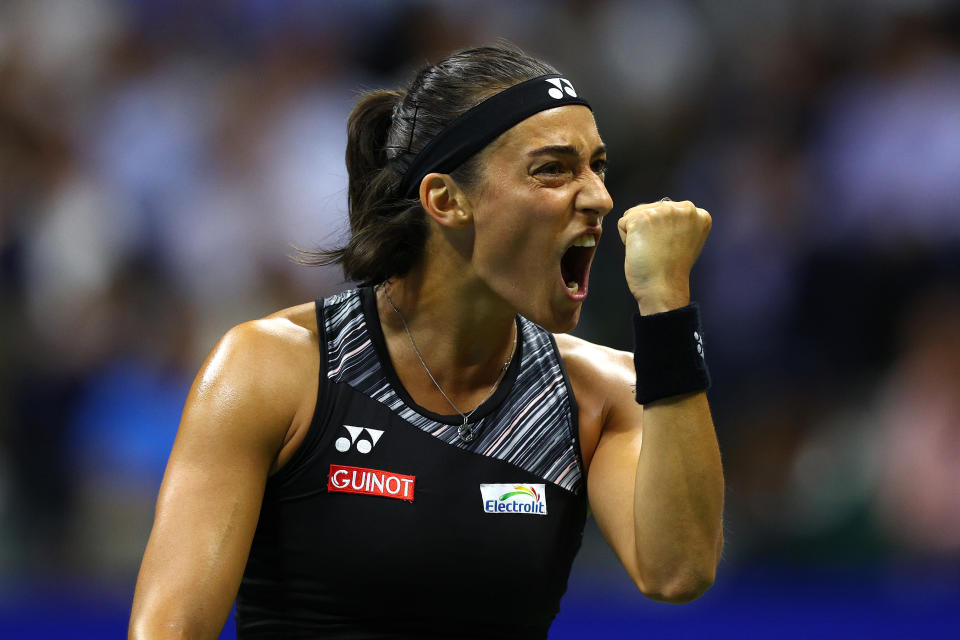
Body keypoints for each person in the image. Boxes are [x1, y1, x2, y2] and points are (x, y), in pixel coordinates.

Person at [129, 44, 724, 639]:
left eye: (598, 166)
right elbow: (168, 631)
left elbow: (677, 571)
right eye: (554, 169)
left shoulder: (601, 392)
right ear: (445, 200)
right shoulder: (276, 368)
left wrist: (666, 306)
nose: (598, 196)